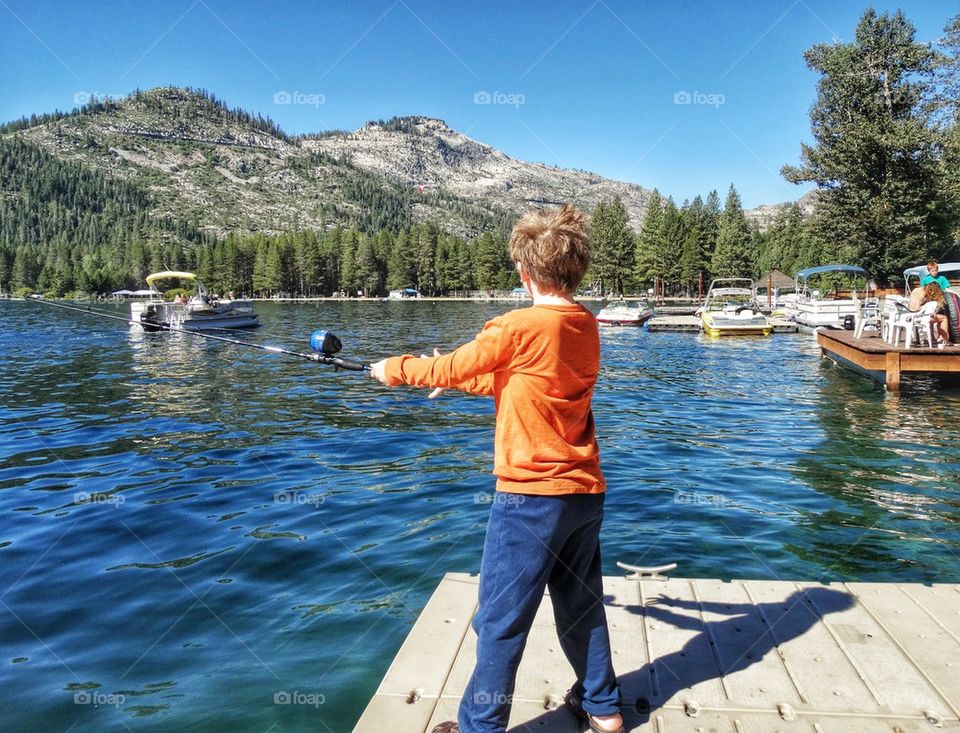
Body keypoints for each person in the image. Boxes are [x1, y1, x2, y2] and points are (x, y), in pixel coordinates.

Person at [370, 204, 623, 733]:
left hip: (530, 499)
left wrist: (393, 370)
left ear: (524, 271)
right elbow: (521, 383)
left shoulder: (516, 325)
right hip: (584, 494)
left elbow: (451, 364)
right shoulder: (584, 325)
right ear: (575, 269)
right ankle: (603, 708)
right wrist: (460, 380)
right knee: (581, 606)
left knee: (498, 620)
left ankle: (481, 725)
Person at [920, 282, 950, 348]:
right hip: (925, 317)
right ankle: (944, 339)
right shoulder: (940, 297)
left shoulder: (924, 295)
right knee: (944, 318)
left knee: (935, 318)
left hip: (918, 316)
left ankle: (932, 338)